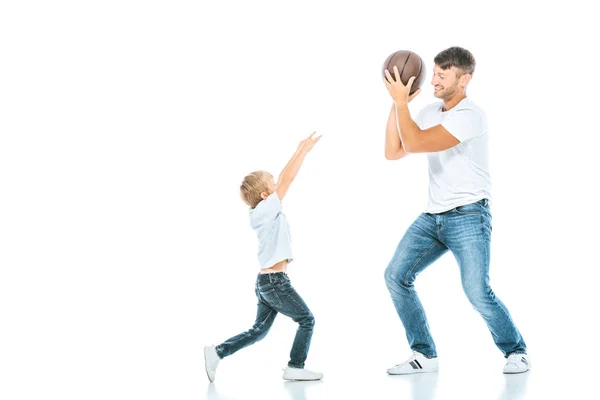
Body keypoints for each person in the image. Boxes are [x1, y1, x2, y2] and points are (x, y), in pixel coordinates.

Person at [382, 46, 529, 375]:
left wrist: (404, 103)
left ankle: (516, 351)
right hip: (432, 218)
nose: (432, 80)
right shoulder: (430, 112)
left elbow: (417, 143)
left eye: (441, 75)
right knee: (396, 276)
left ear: (463, 80)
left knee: (477, 291)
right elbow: (394, 151)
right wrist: (396, 104)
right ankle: (425, 354)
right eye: (433, 72)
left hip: (469, 216)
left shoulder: (471, 115)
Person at [204, 132, 324, 382]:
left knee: (258, 331)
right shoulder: (266, 209)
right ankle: (296, 366)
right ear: (264, 195)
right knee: (307, 319)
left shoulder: (263, 212)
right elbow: (287, 178)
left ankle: (218, 352)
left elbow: (281, 181)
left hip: (267, 282)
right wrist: (302, 150)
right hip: (275, 283)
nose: (277, 187)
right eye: (272, 185)